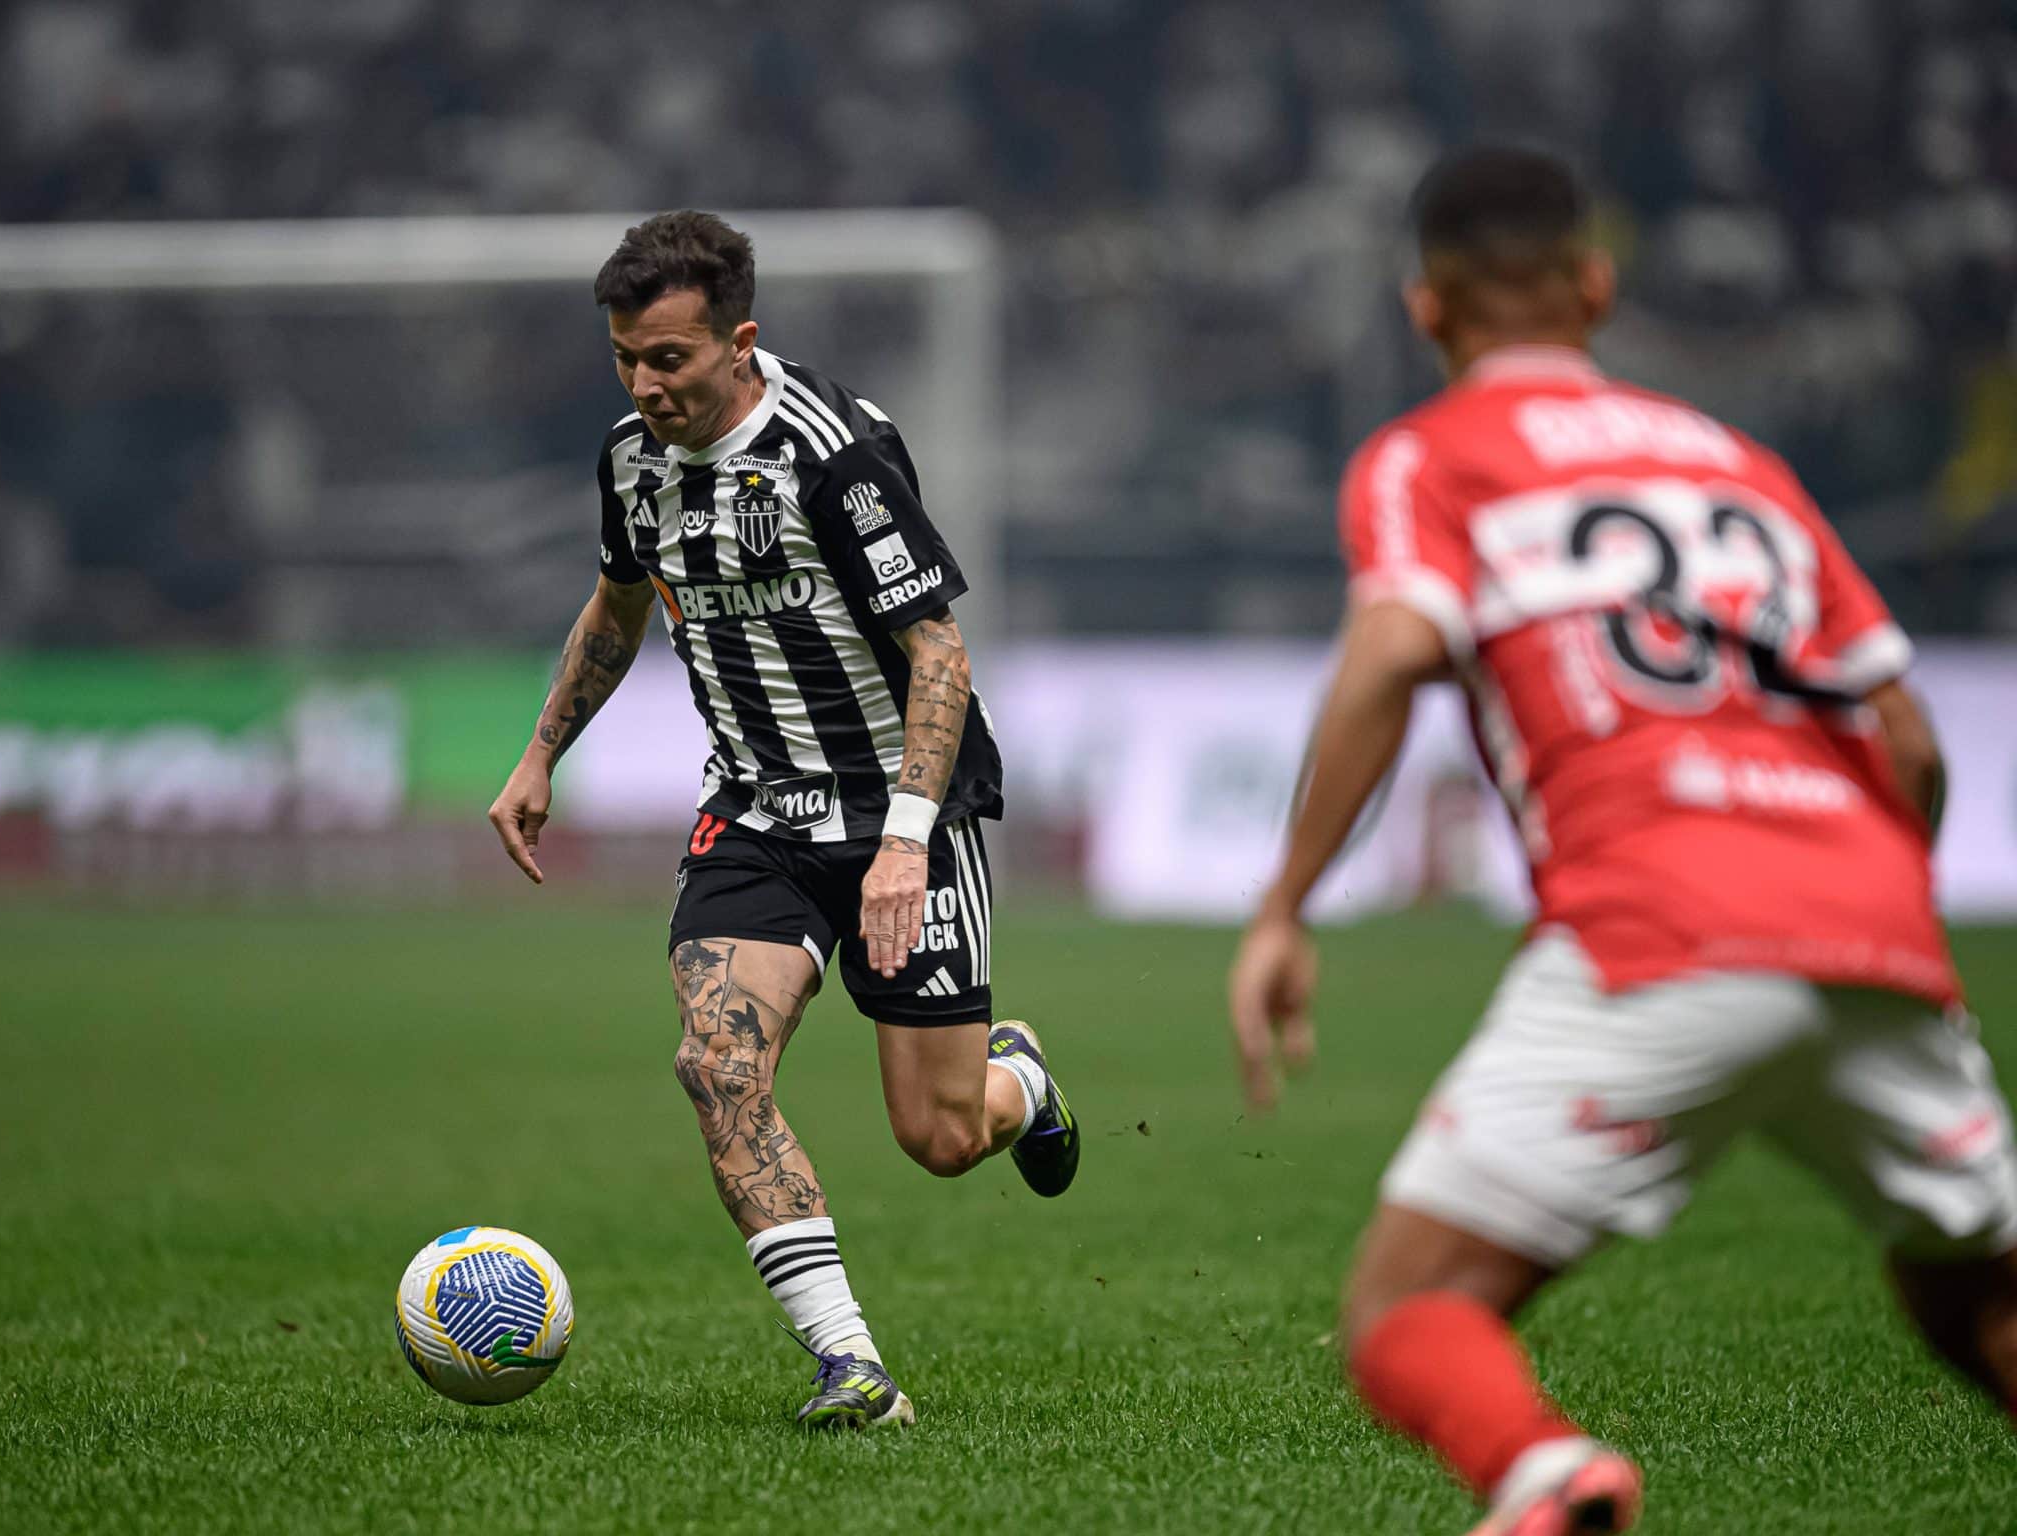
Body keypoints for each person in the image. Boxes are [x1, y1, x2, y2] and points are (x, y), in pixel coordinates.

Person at [1228, 146, 2017, 1536]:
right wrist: (1882, 902)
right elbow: (1913, 744)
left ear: (1426, 310)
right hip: (1877, 926)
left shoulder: (1428, 457)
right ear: (1597, 284)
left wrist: (1286, 901)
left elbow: (1390, 654)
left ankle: (1549, 1477)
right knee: (1976, 1295)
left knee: (1411, 1307)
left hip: (1657, 923)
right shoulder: (1740, 465)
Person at [488, 211, 1079, 1431]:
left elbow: (939, 652)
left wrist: (906, 839)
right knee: (716, 1065)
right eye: (624, 359)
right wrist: (541, 751)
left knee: (940, 1135)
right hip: (755, 808)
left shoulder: (836, 457)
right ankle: (850, 1366)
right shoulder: (629, 462)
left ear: (738, 342)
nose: (644, 385)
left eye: (668, 360)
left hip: (899, 812)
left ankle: (1015, 1077)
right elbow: (615, 611)